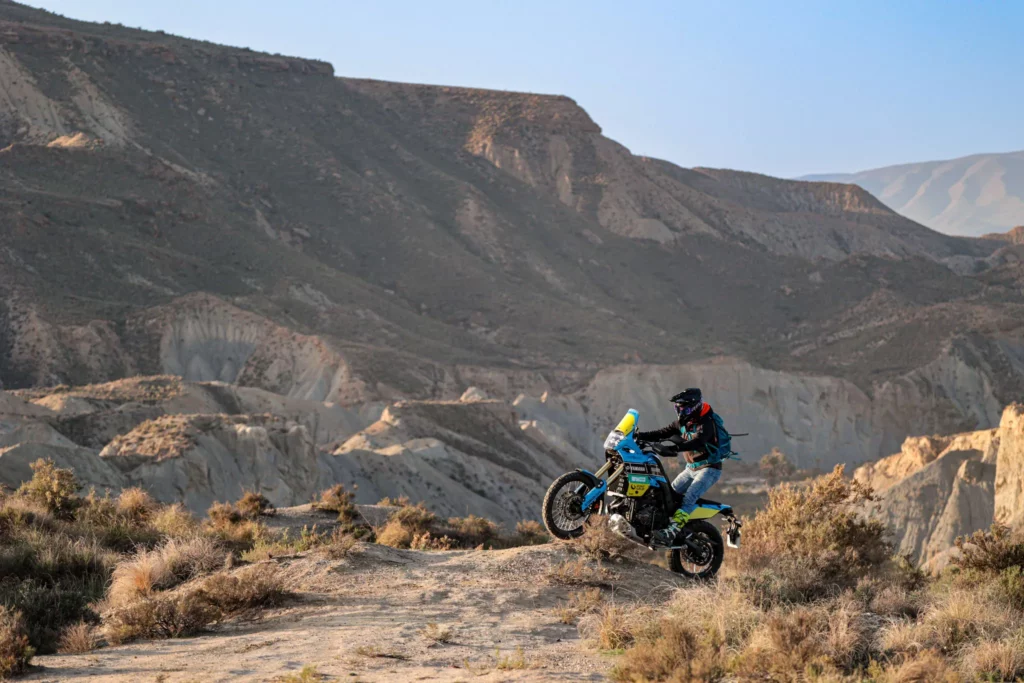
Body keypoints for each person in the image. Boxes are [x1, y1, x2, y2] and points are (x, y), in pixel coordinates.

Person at [636, 388, 726, 545]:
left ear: (695, 406)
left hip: (709, 469)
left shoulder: (707, 422)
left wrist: (675, 449)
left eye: (684, 407)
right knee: (668, 496)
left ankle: (671, 532)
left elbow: (698, 442)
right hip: (691, 468)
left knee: (689, 499)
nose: (681, 411)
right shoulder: (684, 422)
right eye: (678, 407)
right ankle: (660, 526)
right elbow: (662, 432)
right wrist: (637, 435)